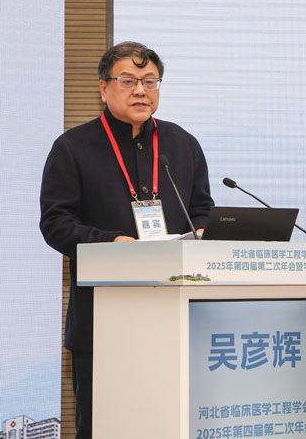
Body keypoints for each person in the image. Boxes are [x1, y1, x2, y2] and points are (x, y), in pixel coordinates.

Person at [39, 41, 213, 438]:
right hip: (103, 321)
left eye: (150, 81)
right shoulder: (73, 148)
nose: (141, 91)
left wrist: (203, 233)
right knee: (105, 426)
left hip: (176, 318)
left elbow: (201, 208)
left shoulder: (182, 144)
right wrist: (110, 242)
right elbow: (56, 223)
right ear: (104, 88)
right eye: (128, 81)